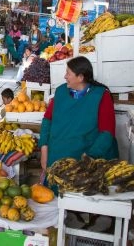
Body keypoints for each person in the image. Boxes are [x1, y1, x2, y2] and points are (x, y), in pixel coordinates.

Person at [39, 56, 119, 191]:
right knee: (54, 197)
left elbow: (107, 133)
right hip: (56, 158)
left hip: (83, 161)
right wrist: (44, 149)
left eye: (68, 73)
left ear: (80, 77)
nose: (65, 76)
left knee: (79, 197)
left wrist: (88, 160)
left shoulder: (101, 96)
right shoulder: (60, 91)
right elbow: (47, 120)